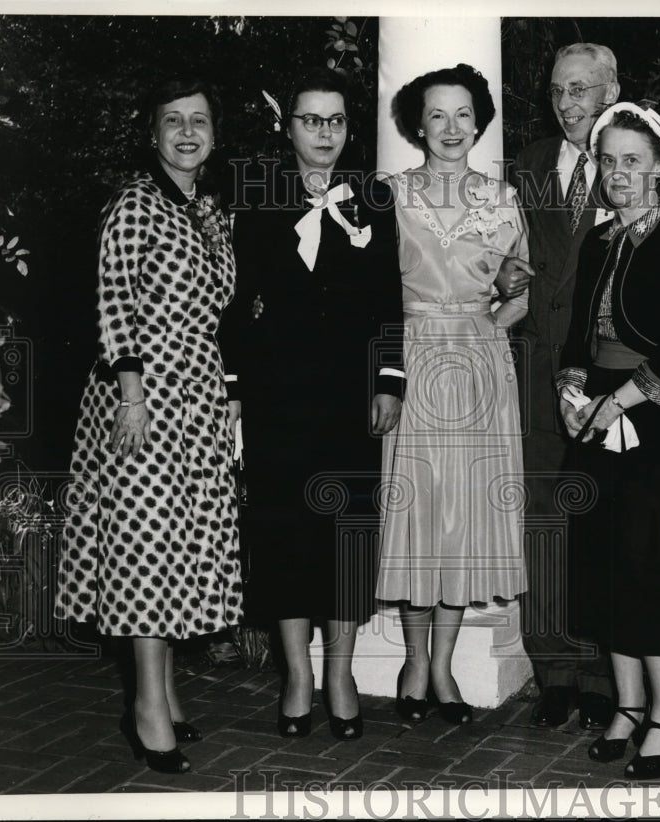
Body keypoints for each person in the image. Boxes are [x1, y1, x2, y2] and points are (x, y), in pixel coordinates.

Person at [55, 78, 241, 774]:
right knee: (143, 548)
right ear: (152, 133)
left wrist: (225, 393)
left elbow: (215, 312)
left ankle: (163, 692)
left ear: (214, 136)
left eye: (199, 121)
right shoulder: (133, 203)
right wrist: (132, 396)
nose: (187, 133)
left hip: (195, 394)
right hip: (143, 397)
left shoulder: (207, 209)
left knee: (180, 544)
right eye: (173, 121)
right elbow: (114, 302)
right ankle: (146, 711)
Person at [219, 68, 404, 742]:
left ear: (347, 130)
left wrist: (390, 379)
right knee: (283, 533)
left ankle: (342, 675)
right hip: (278, 398)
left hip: (350, 399)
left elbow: (391, 300)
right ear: (288, 127)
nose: (323, 132)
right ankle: (297, 675)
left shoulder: (374, 201)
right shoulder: (259, 198)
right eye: (309, 120)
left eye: (334, 121)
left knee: (348, 534)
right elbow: (237, 304)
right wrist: (238, 389)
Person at [556, 102, 660, 779]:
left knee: (650, 566)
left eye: (633, 161)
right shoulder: (596, 241)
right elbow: (576, 340)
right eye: (609, 160)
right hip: (593, 418)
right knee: (603, 564)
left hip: (659, 420)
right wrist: (571, 396)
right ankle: (624, 708)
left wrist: (618, 401)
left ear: (659, 169)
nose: (619, 173)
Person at [376, 63, 529, 726]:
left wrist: (484, 336)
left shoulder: (502, 200)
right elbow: (366, 290)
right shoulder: (387, 196)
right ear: (417, 123)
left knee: (462, 519)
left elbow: (520, 293)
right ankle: (412, 663)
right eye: (436, 114)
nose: (450, 127)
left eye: (463, 114)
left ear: (479, 120)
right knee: (416, 513)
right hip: (409, 365)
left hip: (478, 370)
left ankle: (441, 668)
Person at [506, 43, 620, 731]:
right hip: (533, 373)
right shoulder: (524, 166)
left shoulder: (635, 164)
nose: (567, 102)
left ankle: (607, 673)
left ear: (611, 91)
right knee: (541, 524)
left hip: (608, 378)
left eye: (581, 89)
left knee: (606, 524)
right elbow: (497, 256)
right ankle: (554, 673)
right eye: (557, 90)